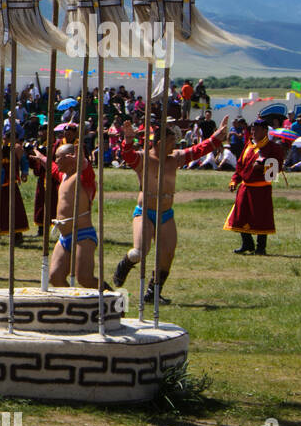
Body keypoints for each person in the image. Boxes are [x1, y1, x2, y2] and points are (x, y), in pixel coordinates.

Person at [111, 117, 229, 303]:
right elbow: (126, 155)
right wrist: (128, 139)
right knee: (140, 251)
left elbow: (199, 150)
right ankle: (125, 264)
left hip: (166, 214)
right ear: (160, 143)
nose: (175, 145)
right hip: (145, 212)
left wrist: (217, 136)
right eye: (172, 141)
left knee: (167, 254)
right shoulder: (143, 159)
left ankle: (153, 292)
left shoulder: (175, 158)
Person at [225, 118, 287, 256]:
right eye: (252, 129)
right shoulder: (248, 146)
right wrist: (234, 180)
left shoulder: (273, 148)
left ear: (265, 131)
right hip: (245, 188)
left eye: (257, 129)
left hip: (261, 188)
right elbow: (240, 166)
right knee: (239, 216)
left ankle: (261, 247)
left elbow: (275, 171)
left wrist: (262, 167)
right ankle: (247, 244)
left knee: (261, 218)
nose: (253, 132)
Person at [44, 143, 97, 289]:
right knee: (55, 277)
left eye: (58, 158)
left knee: (85, 279)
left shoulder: (83, 177)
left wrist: (81, 160)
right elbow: (53, 169)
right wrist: (41, 158)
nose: (56, 161)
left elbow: (87, 169)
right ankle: (73, 306)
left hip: (83, 234)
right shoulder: (64, 176)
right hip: (64, 236)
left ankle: (115, 301)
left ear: (70, 159)